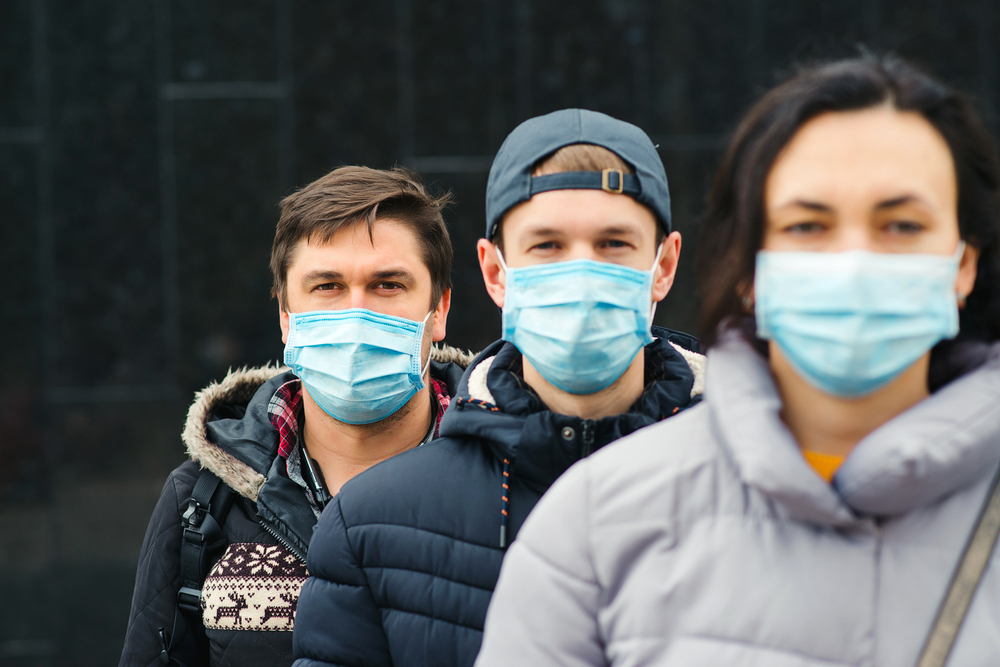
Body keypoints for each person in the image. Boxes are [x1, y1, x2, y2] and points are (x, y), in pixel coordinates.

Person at [475, 55, 1000, 666]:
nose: (852, 259)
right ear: (749, 268)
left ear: (964, 261)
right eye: (808, 225)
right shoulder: (594, 525)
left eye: (902, 224)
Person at [291, 108, 706, 667]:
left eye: (613, 244)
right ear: (494, 273)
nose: (579, 274)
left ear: (664, 264)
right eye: (546, 246)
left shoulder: (762, 490)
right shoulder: (369, 524)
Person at [119, 166, 473, 667]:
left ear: (438, 310)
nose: (356, 313)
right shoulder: (203, 502)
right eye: (326, 286)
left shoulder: (510, 485)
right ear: (286, 314)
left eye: (388, 284)